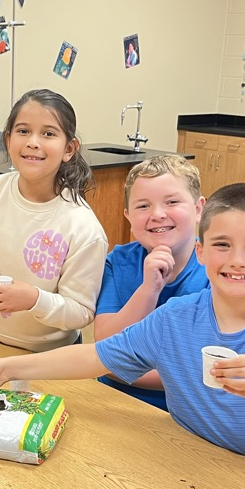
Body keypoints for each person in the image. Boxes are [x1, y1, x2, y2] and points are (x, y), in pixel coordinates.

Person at [0, 183, 245, 484]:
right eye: (222, 245)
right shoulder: (176, 317)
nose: (237, 260)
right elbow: (94, 356)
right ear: (200, 252)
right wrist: (11, 366)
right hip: (200, 472)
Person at [0, 89, 108, 352]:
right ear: (8, 140)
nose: (33, 142)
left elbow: (81, 312)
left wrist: (35, 300)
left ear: (69, 149)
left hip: (49, 355)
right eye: (23, 131)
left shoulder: (83, 227)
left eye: (48, 134)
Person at [94, 155, 207, 410]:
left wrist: (118, 366)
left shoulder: (217, 272)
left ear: (198, 208)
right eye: (143, 206)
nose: (157, 214)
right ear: (128, 217)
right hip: (111, 400)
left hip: (180, 412)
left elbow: (205, 372)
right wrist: (149, 289)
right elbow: (103, 343)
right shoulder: (118, 262)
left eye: (172, 202)